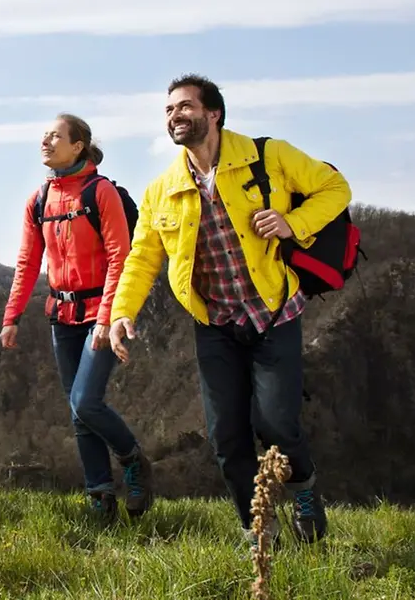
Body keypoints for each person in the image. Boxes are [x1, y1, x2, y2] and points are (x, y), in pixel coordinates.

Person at [108, 74, 351, 544]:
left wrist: (291, 222)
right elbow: (142, 258)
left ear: (213, 113)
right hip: (215, 323)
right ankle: (257, 527)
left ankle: (303, 490)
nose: (174, 116)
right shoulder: (164, 189)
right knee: (226, 438)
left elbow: (334, 187)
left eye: (184, 107)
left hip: (273, 311)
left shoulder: (268, 156)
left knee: (277, 422)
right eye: (168, 110)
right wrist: (123, 312)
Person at [0, 113, 155, 523]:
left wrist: (107, 317)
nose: (45, 142)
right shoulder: (39, 200)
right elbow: (27, 261)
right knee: (77, 409)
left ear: (78, 145)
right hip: (61, 316)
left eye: (55, 136)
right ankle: (99, 495)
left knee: (86, 401)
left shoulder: (99, 192)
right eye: (43, 135)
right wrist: (11, 314)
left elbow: (121, 257)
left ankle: (133, 461)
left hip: (100, 313)